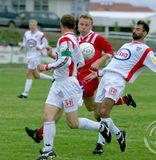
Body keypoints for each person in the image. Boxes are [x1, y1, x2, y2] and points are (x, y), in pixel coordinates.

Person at [24, 13, 136, 152]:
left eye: (86, 25)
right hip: (76, 78)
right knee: (94, 109)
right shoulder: (75, 39)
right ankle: (123, 102)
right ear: (77, 25)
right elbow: (71, 60)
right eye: (81, 24)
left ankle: (41, 134)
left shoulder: (96, 38)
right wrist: (52, 54)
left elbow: (111, 52)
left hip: (88, 79)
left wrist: (98, 61)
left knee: (62, 105)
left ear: (91, 26)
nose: (83, 27)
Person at [35, 14, 112, 160]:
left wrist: (46, 66)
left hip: (67, 85)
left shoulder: (65, 39)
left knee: (73, 123)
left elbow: (66, 60)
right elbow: (80, 61)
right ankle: (48, 150)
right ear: (75, 25)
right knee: (48, 116)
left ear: (61, 25)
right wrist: (56, 61)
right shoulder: (74, 40)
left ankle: (101, 127)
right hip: (59, 82)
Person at [93, 20, 156, 154]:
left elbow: (155, 62)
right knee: (97, 114)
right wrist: (99, 73)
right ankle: (119, 134)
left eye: (138, 29)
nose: (135, 31)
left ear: (144, 33)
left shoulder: (145, 50)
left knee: (104, 112)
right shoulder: (126, 45)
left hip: (118, 80)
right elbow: (114, 63)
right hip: (106, 77)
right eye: (134, 29)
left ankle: (100, 144)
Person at [18, 19, 53, 98]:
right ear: (29, 26)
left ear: (36, 25)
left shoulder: (40, 34)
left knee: (28, 72)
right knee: (36, 75)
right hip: (29, 55)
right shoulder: (26, 34)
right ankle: (51, 78)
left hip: (36, 56)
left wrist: (40, 47)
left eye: (33, 25)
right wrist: (22, 46)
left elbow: (45, 43)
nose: (32, 26)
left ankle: (25, 93)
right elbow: (24, 42)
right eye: (30, 25)